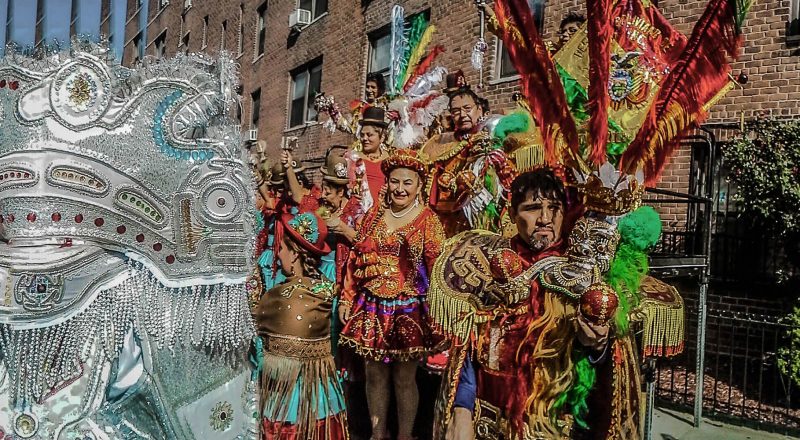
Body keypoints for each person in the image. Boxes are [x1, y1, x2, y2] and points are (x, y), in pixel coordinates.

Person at [431, 168, 625, 439]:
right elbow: (468, 349)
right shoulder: (488, 264)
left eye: (554, 208)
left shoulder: (584, 273)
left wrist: (598, 345)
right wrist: (462, 408)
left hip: (554, 424)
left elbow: (605, 368)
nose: (545, 218)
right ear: (513, 214)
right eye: (533, 208)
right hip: (490, 421)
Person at [338, 149, 446, 440]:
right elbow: (356, 259)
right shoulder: (373, 216)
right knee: (374, 374)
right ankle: (377, 434)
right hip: (372, 304)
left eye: (407, 183)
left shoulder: (428, 220)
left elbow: (438, 269)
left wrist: (441, 308)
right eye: (395, 181)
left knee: (404, 378)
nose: (400, 188)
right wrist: (347, 296)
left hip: (409, 308)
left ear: (419, 185)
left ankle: (405, 435)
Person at [252, 210, 347, 440]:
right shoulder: (330, 291)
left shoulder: (276, 296)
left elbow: (260, 354)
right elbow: (335, 343)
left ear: (294, 254)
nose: (278, 254)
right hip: (324, 399)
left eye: (282, 249)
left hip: (286, 404)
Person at [420, 71, 516, 236]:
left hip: (494, 219)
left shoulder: (496, 136)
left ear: (479, 109)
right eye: (456, 111)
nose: (462, 115)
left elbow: (512, 181)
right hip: (451, 223)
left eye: (467, 109)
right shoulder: (443, 142)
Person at [347, 106, 392, 212]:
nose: (364, 139)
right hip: (359, 214)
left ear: (382, 137)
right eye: (362, 135)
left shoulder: (390, 161)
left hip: (384, 213)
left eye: (369, 135)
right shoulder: (352, 159)